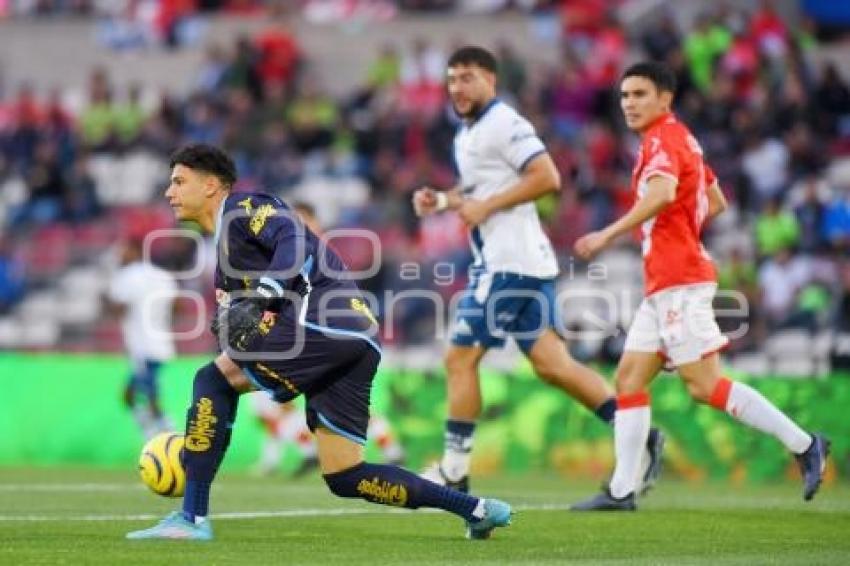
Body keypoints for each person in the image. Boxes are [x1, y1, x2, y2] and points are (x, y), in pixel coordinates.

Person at [126, 144, 511, 541]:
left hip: (325, 324)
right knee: (346, 475)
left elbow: (291, 234)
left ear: (210, 186)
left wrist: (267, 291)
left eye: (178, 181)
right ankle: (477, 509)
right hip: (358, 341)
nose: (169, 192)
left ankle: (191, 517)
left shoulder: (242, 207)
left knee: (213, 380)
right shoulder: (224, 254)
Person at [571, 61, 830, 510]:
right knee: (629, 377)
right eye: (624, 96)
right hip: (665, 281)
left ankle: (806, 444)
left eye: (639, 94)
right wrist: (679, 229)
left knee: (704, 385)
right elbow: (716, 200)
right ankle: (621, 490)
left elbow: (663, 194)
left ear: (664, 99)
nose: (628, 103)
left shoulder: (662, 139)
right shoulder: (684, 139)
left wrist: (607, 234)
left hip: (680, 281)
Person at [412, 46, 664, 495]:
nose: (458, 88)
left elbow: (547, 177)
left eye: (468, 77)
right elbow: (480, 189)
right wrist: (444, 200)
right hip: (524, 261)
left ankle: (454, 469)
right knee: (553, 365)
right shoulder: (467, 134)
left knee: (459, 356)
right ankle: (639, 433)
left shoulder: (505, 123)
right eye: (452, 79)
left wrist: (485, 204)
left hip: (508, 262)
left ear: (491, 79)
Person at [106, 237, 177, 439]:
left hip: (143, 347)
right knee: (130, 395)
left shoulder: (127, 275)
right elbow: (177, 306)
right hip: (162, 344)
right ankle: (153, 436)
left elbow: (119, 310)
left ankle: (169, 439)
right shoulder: (163, 275)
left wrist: (105, 299)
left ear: (135, 251)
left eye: (123, 250)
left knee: (149, 397)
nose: (120, 255)